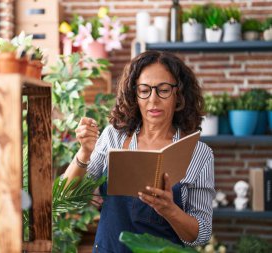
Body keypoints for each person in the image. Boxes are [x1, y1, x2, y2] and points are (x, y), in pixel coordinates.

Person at [63, 50, 215, 252]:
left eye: (163, 90)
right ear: (134, 94)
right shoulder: (113, 138)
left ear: (178, 94)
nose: (153, 100)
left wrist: (170, 210)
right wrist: (84, 153)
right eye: (144, 90)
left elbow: (201, 234)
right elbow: (66, 196)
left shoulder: (199, 153)